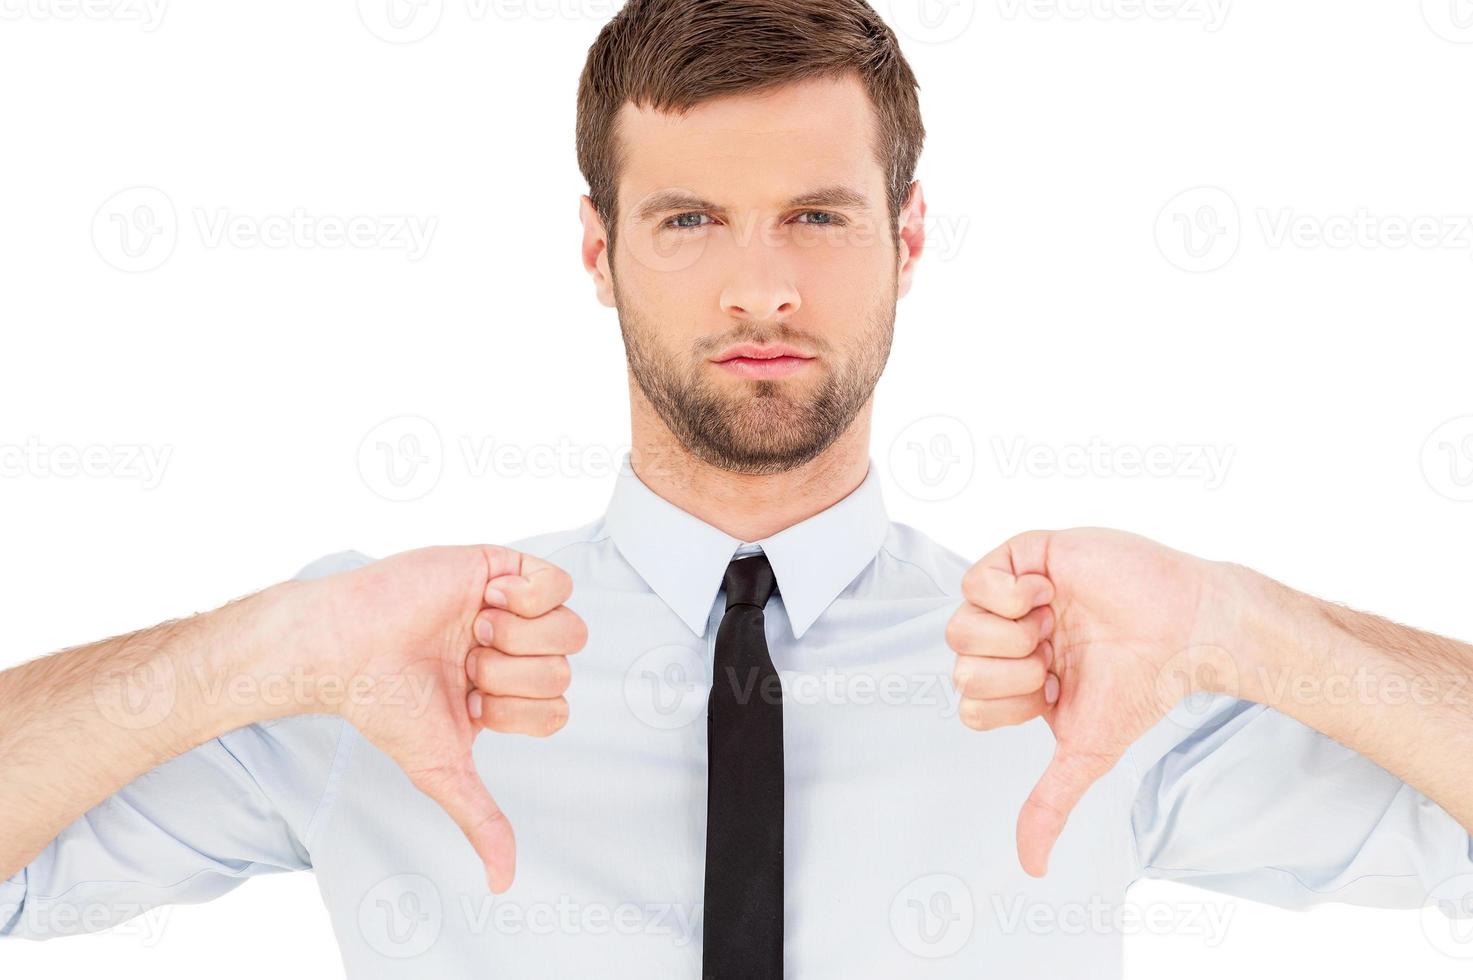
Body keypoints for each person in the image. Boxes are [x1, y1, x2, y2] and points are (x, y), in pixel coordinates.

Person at [3, 1, 1471, 976]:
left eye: (816, 216)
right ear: (598, 251)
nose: (759, 283)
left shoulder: (1096, 675)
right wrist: (274, 646)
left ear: (908, 238)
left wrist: (1242, 625)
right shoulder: (383, 673)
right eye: (691, 217)